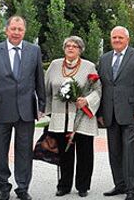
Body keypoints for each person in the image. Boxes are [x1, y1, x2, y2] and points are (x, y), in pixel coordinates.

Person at [0, 15, 46, 200]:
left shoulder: (34, 51)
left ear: (25, 31)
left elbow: (39, 80)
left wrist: (41, 105)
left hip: (26, 111)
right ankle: (3, 187)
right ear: (6, 30)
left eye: (20, 29)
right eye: (13, 29)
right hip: (0, 111)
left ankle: (22, 187)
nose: (17, 32)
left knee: (25, 151)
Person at [98, 26, 134, 200]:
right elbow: (101, 88)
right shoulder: (104, 59)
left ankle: (131, 188)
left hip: (130, 113)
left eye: (120, 37)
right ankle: (119, 185)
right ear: (110, 39)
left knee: (129, 151)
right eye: (114, 38)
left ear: (127, 39)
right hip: (109, 113)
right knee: (114, 151)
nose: (117, 40)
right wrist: (100, 112)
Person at [44, 36, 101, 197]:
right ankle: (64, 185)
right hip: (60, 117)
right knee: (64, 153)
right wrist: (48, 112)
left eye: (75, 46)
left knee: (85, 153)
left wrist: (86, 100)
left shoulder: (89, 67)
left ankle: (82, 186)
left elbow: (97, 90)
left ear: (80, 50)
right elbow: (46, 90)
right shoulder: (55, 66)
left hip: (82, 117)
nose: (70, 48)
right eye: (68, 46)